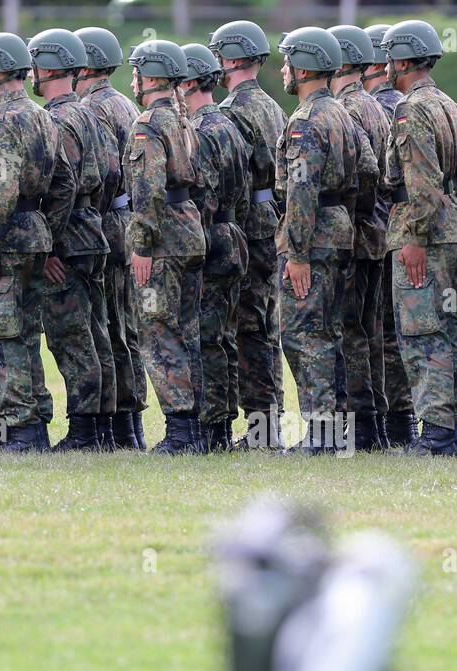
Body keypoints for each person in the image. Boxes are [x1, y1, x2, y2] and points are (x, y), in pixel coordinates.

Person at [379, 20, 457, 456]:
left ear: (403, 60)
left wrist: (417, 236)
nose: (385, 65)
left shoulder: (410, 109)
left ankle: (439, 434)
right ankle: (451, 429)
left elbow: (419, 181)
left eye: (389, 56)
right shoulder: (447, 103)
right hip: (451, 229)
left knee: (422, 334)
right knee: (442, 331)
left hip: (423, 234)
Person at [274, 27, 366, 454]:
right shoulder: (343, 114)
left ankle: (323, 434)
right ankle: (335, 430)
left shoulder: (306, 120)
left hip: (312, 238)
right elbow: (368, 171)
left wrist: (297, 252)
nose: (284, 70)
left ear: (305, 66)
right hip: (339, 230)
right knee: (328, 333)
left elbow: (301, 189)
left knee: (304, 335)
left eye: (289, 61)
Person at [0, 33, 59, 453]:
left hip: (4, 240)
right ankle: (35, 422)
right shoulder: (41, 115)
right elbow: (65, 182)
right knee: (24, 333)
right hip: (34, 231)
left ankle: (20, 429)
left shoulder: (0, 120)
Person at [30, 29, 112, 453]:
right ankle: (101, 427)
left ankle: (84, 432)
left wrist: (48, 244)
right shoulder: (86, 114)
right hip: (90, 229)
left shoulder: (59, 119)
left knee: (72, 337)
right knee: (95, 333)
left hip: (69, 239)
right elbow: (110, 176)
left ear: (47, 66)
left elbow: (61, 186)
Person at [124, 40, 206, 453]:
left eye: (139, 71)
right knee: (186, 330)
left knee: (158, 333)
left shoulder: (148, 123)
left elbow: (148, 189)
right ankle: (199, 428)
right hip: (188, 232)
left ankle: (180, 432)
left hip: (161, 242)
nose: (134, 79)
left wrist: (141, 244)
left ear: (152, 77)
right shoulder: (182, 118)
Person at [208, 21, 286, 448]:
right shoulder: (273, 106)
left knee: (247, 327)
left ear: (234, 58)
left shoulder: (232, 111)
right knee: (263, 327)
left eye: (220, 55)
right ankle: (268, 425)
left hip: (248, 225)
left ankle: (262, 430)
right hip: (269, 218)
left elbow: (229, 177)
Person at [75, 27, 145, 449]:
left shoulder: (93, 110)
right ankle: (129, 426)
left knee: (105, 324)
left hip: (105, 221)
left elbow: (100, 174)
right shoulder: (123, 103)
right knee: (125, 325)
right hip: (127, 219)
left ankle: (116, 425)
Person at [180, 43, 250, 452]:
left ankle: (210, 428)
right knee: (221, 337)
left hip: (210, 241)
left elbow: (202, 196)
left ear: (188, 82)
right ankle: (221, 424)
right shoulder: (226, 124)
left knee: (206, 337)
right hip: (232, 235)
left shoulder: (201, 131)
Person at [329, 25, 391, 452]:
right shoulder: (372, 106)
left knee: (348, 332)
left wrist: (352, 212)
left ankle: (359, 428)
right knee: (367, 333)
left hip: (355, 233)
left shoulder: (347, 109)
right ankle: (372, 426)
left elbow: (366, 172)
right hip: (375, 230)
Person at [361, 23, 416, 447]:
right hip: (389, 228)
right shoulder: (399, 105)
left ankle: (390, 423)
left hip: (379, 229)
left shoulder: (385, 107)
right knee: (395, 332)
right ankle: (402, 421)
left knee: (378, 331)